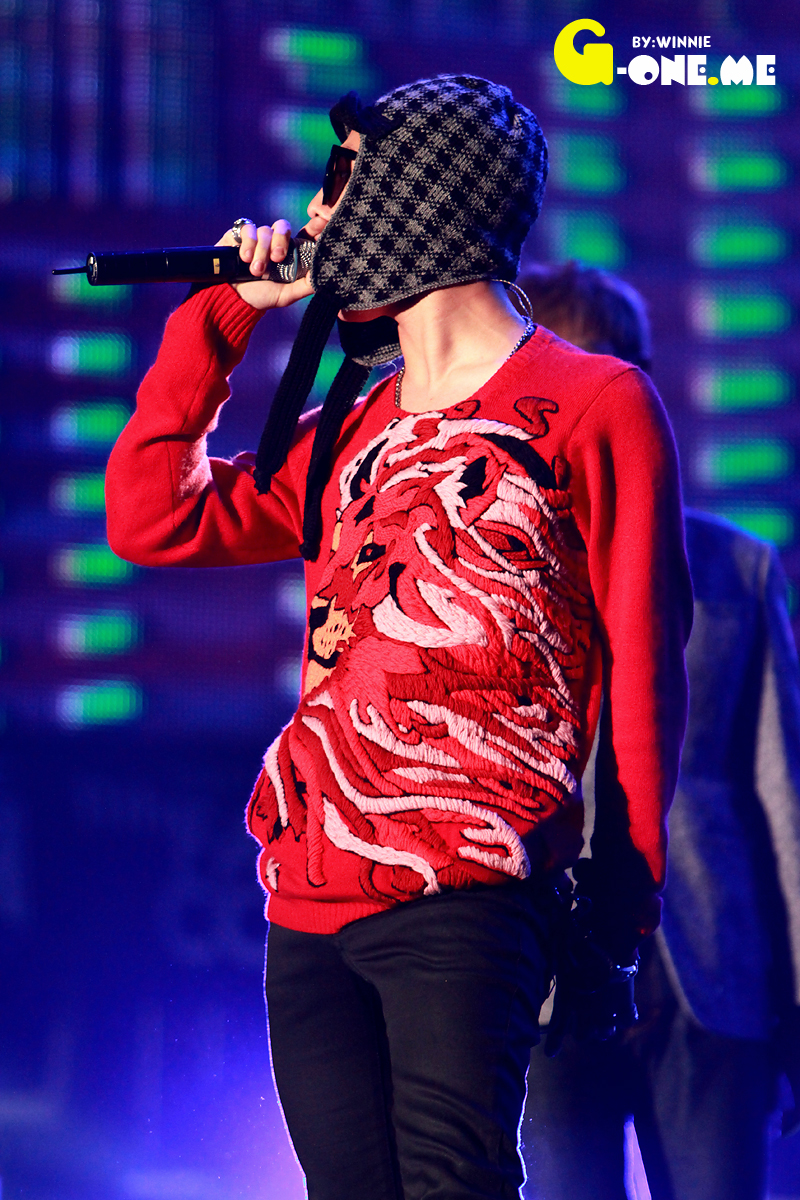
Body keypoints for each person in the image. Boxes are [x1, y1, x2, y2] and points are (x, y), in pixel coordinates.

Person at [105, 79, 692, 1200]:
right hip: (309, 901)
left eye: (341, 182)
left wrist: (621, 908)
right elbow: (149, 516)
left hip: (468, 892)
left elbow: (641, 667)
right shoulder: (351, 424)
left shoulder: (593, 403)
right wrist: (223, 314)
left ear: (418, 204)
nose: (312, 214)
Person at [519, 260, 800, 1200]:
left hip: (711, 975)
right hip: (542, 973)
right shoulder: (491, 560)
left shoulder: (734, 570)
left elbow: (783, 801)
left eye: (614, 373)